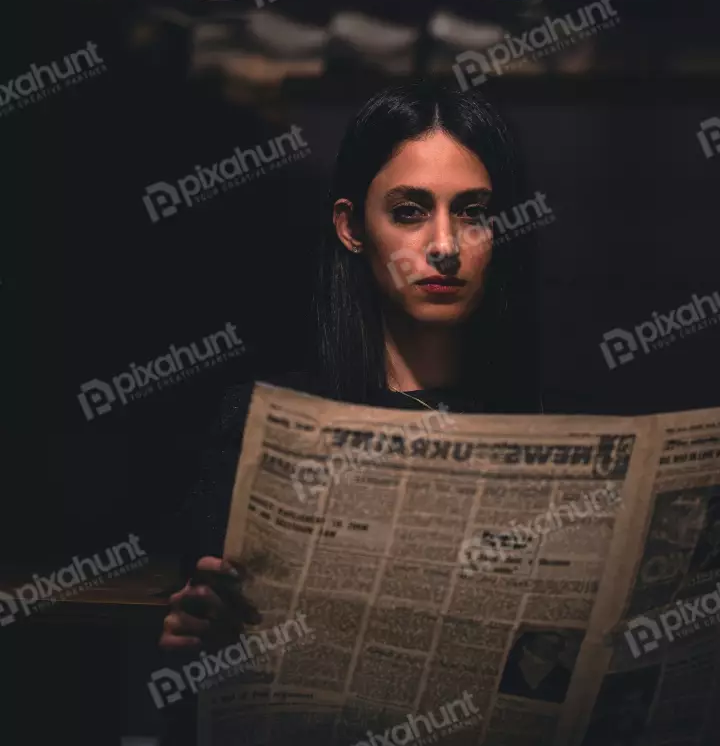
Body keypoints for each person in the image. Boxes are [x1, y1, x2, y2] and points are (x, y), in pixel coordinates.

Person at [158, 81, 542, 736]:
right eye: (411, 211)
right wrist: (193, 628)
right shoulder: (261, 422)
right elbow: (203, 626)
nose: (445, 245)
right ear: (351, 226)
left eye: (473, 212)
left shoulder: (545, 426)